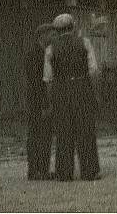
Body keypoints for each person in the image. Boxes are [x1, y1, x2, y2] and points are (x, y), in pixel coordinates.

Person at [43, 13, 100, 181]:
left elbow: (48, 78)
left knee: (64, 131)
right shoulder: (84, 43)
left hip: (61, 90)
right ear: (72, 27)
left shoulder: (50, 48)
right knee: (85, 130)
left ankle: (64, 172)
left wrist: (52, 98)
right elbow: (93, 71)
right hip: (82, 88)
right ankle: (89, 171)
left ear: (57, 30)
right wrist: (93, 93)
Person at [25, 23, 56, 180]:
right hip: (38, 100)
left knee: (44, 135)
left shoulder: (43, 52)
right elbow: (37, 82)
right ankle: (35, 170)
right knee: (38, 135)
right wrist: (44, 104)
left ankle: (41, 169)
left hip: (41, 100)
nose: (52, 36)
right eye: (50, 33)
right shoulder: (34, 54)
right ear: (42, 35)